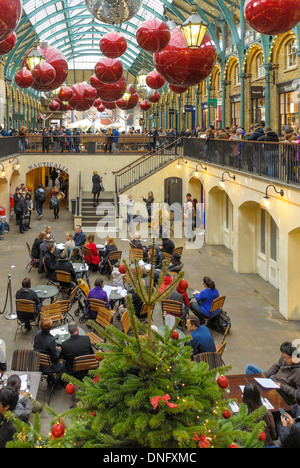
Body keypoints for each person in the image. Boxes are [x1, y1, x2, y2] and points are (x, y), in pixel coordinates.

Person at [245, 341, 300, 405]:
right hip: (272, 380)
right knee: (249, 368)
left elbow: (297, 393)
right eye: (283, 357)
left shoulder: (298, 372)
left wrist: (281, 386)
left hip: (280, 391)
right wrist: (264, 376)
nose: (284, 359)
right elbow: (276, 366)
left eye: (286, 358)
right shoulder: (285, 358)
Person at [242, 383, 277, 447]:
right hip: (266, 444)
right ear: (259, 396)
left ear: (244, 397)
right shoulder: (267, 413)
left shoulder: (242, 415)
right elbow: (274, 435)